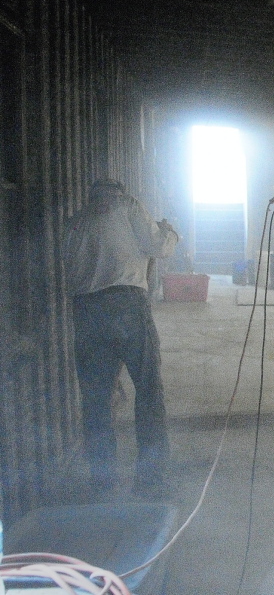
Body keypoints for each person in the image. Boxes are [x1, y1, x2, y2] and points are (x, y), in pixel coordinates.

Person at [64, 179, 179, 496]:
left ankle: (102, 481)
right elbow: (158, 247)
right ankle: (151, 478)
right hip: (126, 302)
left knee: (96, 400)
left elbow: (69, 274)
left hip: (86, 309)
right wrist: (169, 231)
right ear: (118, 190)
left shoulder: (77, 221)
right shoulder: (127, 205)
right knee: (148, 390)